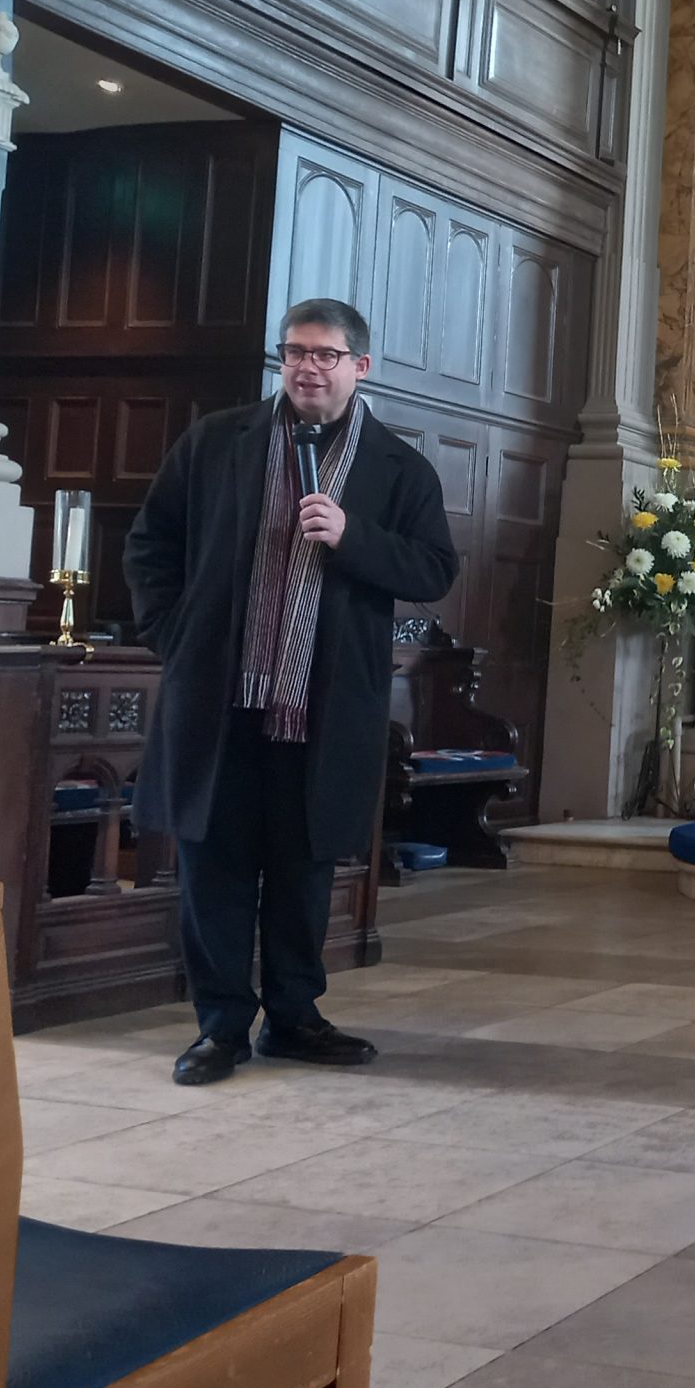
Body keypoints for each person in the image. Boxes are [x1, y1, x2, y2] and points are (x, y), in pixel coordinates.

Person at [126, 298, 457, 1087]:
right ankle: (220, 1027)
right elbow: (150, 543)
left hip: (323, 703)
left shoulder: (398, 466)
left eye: (325, 355)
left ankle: (295, 1017)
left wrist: (351, 536)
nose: (307, 368)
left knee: (303, 867)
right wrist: (177, 635)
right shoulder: (218, 441)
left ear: (359, 367)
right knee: (213, 866)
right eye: (295, 353)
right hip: (221, 698)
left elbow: (434, 569)